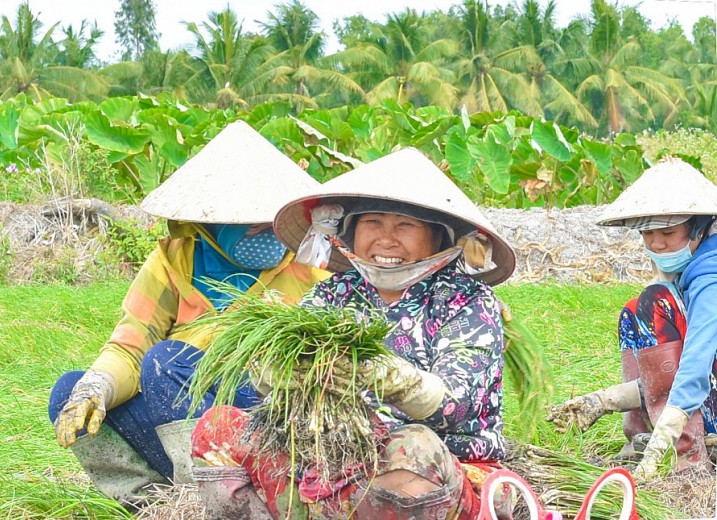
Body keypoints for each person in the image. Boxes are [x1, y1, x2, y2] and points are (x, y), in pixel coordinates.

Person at [188, 147, 520, 519]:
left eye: (405, 226)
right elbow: (279, 372)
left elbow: (456, 407)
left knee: (411, 447)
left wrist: (392, 379)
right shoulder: (334, 293)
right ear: (350, 231)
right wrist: (279, 373)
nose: (386, 239)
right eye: (373, 223)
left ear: (439, 239)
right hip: (332, 456)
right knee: (219, 428)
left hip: (440, 466)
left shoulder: (467, 301)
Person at [47, 120, 330, 508]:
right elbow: (131, 347)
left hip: (266, 421)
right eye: (253, 225)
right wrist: (96, 388)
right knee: (70, 393)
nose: (268, 233)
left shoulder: (311, 268)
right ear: (209, 223)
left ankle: (216, 502)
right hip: (181, 420)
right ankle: (154, 505)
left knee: (167, 361)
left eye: (273, 223)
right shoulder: (171, 262)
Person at [547, 157, 717, 478]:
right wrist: (605, 400)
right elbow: (668, 372)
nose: (656, 242)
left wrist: (664, 445)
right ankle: (639, 438)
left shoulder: (710, 273)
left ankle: (687, 463)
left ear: (697, 226)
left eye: (667, 231)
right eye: (648, 233)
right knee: (632, 309)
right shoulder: (690, 264)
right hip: (708, 391)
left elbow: (696, 367)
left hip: (705, 393)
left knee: (654, 304)